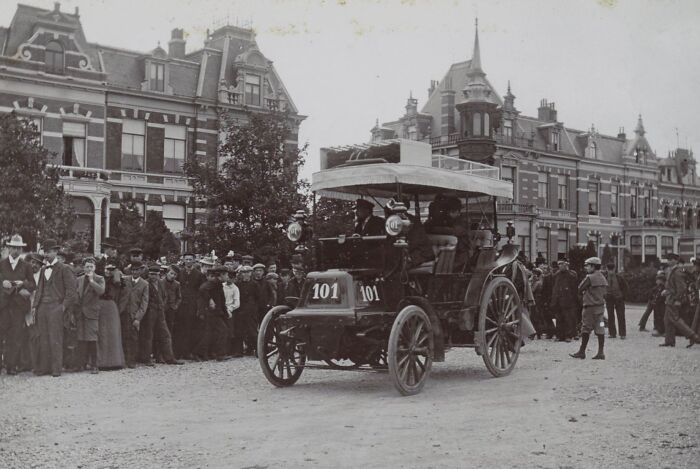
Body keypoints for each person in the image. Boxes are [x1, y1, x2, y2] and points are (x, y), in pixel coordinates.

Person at [33, 239, 78, 377]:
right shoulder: (42, 269)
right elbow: (39, 289)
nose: (46, 254)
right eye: (45, 252)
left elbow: (71, 292)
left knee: (56, 338)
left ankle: (56, 368)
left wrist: (62, 308)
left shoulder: (64, 268)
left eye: (49, 251)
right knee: (43, 338)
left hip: (56, 307)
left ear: (55, 252)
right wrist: (35, 307)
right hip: (42, 308)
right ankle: (45, 367)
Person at [0, 235, 35, 375]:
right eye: (13, 247)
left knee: (15, 336)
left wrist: (23, 284)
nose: (16, 250)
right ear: (9, 248)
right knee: (1, 334)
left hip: (18, 306)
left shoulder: (26, 266)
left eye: (19, 248)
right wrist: (2, 283)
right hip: (3, 305)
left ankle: (11, 366)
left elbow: (33, 284)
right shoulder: (1, 264)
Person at [659, 253, 700, 348]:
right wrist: (667, 291)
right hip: (670, 298)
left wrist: (678, 300)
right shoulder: (673, 271)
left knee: (676, 320)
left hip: (673, 299)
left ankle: (694, 336)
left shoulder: (677, 272)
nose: (668, 261)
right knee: (667, 320)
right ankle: (669, 341)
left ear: (674, 260)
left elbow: (681, 288)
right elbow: (672, 286)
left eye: (669, 259)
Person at [570, 257, 608, 360]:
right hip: (600, 308)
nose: (586, 267)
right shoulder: (603, 277)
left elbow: (580, 288)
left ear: (593, 266)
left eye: (587, 265)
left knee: (585, 328)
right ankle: (601, 352)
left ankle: (582, 351)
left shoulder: (589, 277)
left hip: (589, 308)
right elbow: (605, 293)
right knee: (600, 328)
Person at [75, 257, 105, 373]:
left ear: (95, 268)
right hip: (80, 313)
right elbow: (77, 295)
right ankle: (80, 364)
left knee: (92, 339)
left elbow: (101, 291)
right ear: (83, 267)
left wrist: (92, 281)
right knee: (81, 339)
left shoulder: (99, 278)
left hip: (92, 313)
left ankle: (94, 365)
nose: (89, 269)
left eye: (91, 267)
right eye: (87, 266)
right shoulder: (79, 279)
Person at [424, 195, 470, 269]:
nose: (448, 214)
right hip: (447, 253)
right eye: (447, 211)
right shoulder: (445, 219)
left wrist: (435, 229)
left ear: (458, 211)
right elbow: (429, 227)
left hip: (460, 254)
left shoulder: (463, 221)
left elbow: (455, 231)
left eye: (451, 211)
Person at [193, 266, 228, 361]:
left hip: (215, 312)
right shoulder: (213, 282)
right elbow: (202, 289)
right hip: (211, 313)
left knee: (209, 334)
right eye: (226, 275)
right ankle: (220, 355)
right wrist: (210, 299)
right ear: (222, 275)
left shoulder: (217, 283)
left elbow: (221, 300)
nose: (227, 277)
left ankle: (200, 353)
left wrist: (225, 312)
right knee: (222, 331)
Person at [174, 253, 205, 359]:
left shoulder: (199, 274)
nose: (188, 261)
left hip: (193, 304)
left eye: (190, 259)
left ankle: (190, 352)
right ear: (183, 260)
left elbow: (201, 291)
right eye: (186, 259)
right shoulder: (179, 273)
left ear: (194, 261)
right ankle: (180, 351)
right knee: (181, 328)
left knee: (191, 328)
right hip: (181, 303)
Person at [118, 261, 149, 368]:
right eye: (133, 270)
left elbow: (144, 303)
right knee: (122, 336)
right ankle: (122, 360)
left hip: (133, 315)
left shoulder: (145, 284)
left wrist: (138, 318)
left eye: (137, 270)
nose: (135, 272)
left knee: (133, 338)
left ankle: (131, 360)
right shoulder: (124, 280)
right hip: (122, 312)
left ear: (141, 271)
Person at [97, 264, 126, 369]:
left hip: (111, 306)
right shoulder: (100, 279)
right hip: (100, 306)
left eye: (111, 269)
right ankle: (102, 362)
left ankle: (114, 361)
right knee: (102, 333)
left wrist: (116, 274)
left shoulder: (117, 281)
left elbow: (119, 284)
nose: (109, 271)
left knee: (113, 333)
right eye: (107, 269)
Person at [550, 259, 579, 342]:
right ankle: (559, 335)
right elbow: (554, 287)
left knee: (568, 318)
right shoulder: (556, 275)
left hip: (568, 300)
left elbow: (574, 289)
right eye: (559, 264)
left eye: (561, 264)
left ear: (566, 264)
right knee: (559, 318)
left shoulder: (571, 275)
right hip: (558, 300)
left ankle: (568, 335)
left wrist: (573, 299)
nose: (560, 265)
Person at [236, 265, 260, 356]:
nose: (246, 274)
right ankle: (239, 350)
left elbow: (258, 297)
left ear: (251, 273)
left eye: (248, 272)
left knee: (252, 330)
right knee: (239, 330)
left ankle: (257, 349)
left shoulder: (255, 284)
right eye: (244, 272)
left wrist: (254, 307)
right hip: (240, 310)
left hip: (251, 311)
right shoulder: (238, 284)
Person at [604, 263, 628, 339]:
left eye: (612, 270)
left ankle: (622, 333)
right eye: (609, 269)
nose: (610, 271)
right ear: (607, 269)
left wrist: (623, 296)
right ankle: (612, 333)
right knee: (610, 316)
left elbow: (625, 287)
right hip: (609, 298)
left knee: (621, 315)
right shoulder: (605, 278)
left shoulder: (619, 278)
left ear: (614, 269)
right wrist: (605, 296)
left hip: (619, 298)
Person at [638, 271, 667, 336]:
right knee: (654, 314)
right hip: (654, 302)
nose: (656, 281)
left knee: (658, 315)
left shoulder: (661, 287)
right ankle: (646, 326)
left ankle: (659, 329)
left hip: (657, 302)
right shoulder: (657, 287)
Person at [221, 267, 240, 356]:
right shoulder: (222, 286)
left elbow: (237, 302)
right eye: (228, 277)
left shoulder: (235, 288)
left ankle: (229, 350)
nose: (229, 279)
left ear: (234, 279)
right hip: (221, 309)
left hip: (230, 310)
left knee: (230, 331)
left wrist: (230, 309)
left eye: (231, 278)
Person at [161, 265, 182, 337]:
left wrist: (176, 306)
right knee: (161, 326)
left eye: (175, 274)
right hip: (162, 308)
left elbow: (179, 297)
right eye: (171, 273)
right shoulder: (160, 282)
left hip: (171, 309)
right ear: (167, 273)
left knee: (170, 326)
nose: (173, 276)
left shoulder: (177, 284)